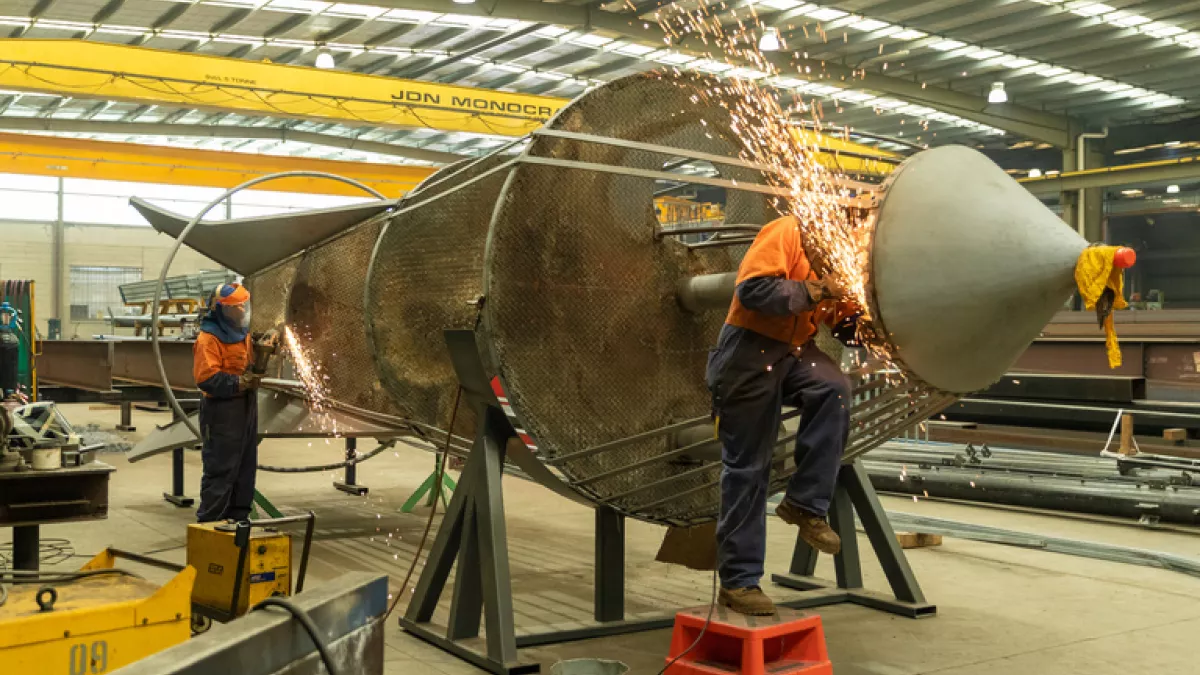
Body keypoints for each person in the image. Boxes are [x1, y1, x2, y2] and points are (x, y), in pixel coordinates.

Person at [706, 214, 861, 616]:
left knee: (835, 389)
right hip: (748, 352)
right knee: (749, 467)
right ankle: (739, 582)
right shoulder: (787, 230)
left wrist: (861, 320)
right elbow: (755, 290)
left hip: (794, 353)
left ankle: (805, 506)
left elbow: (838, 316)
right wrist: (818, 289)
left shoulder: (840, 249)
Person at [193, 282, 261, 522]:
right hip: (222, 411)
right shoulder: (209, 338)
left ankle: (239, 522)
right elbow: (207, 379)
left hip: (245, 407)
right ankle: (210, 525)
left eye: (244, 306)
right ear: (223, 309)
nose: (243, 312)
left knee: (244, 467)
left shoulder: (242, 333)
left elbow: (248, 362)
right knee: (221, 470)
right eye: (237, 308)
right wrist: (240, 382)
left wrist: (266, 349)